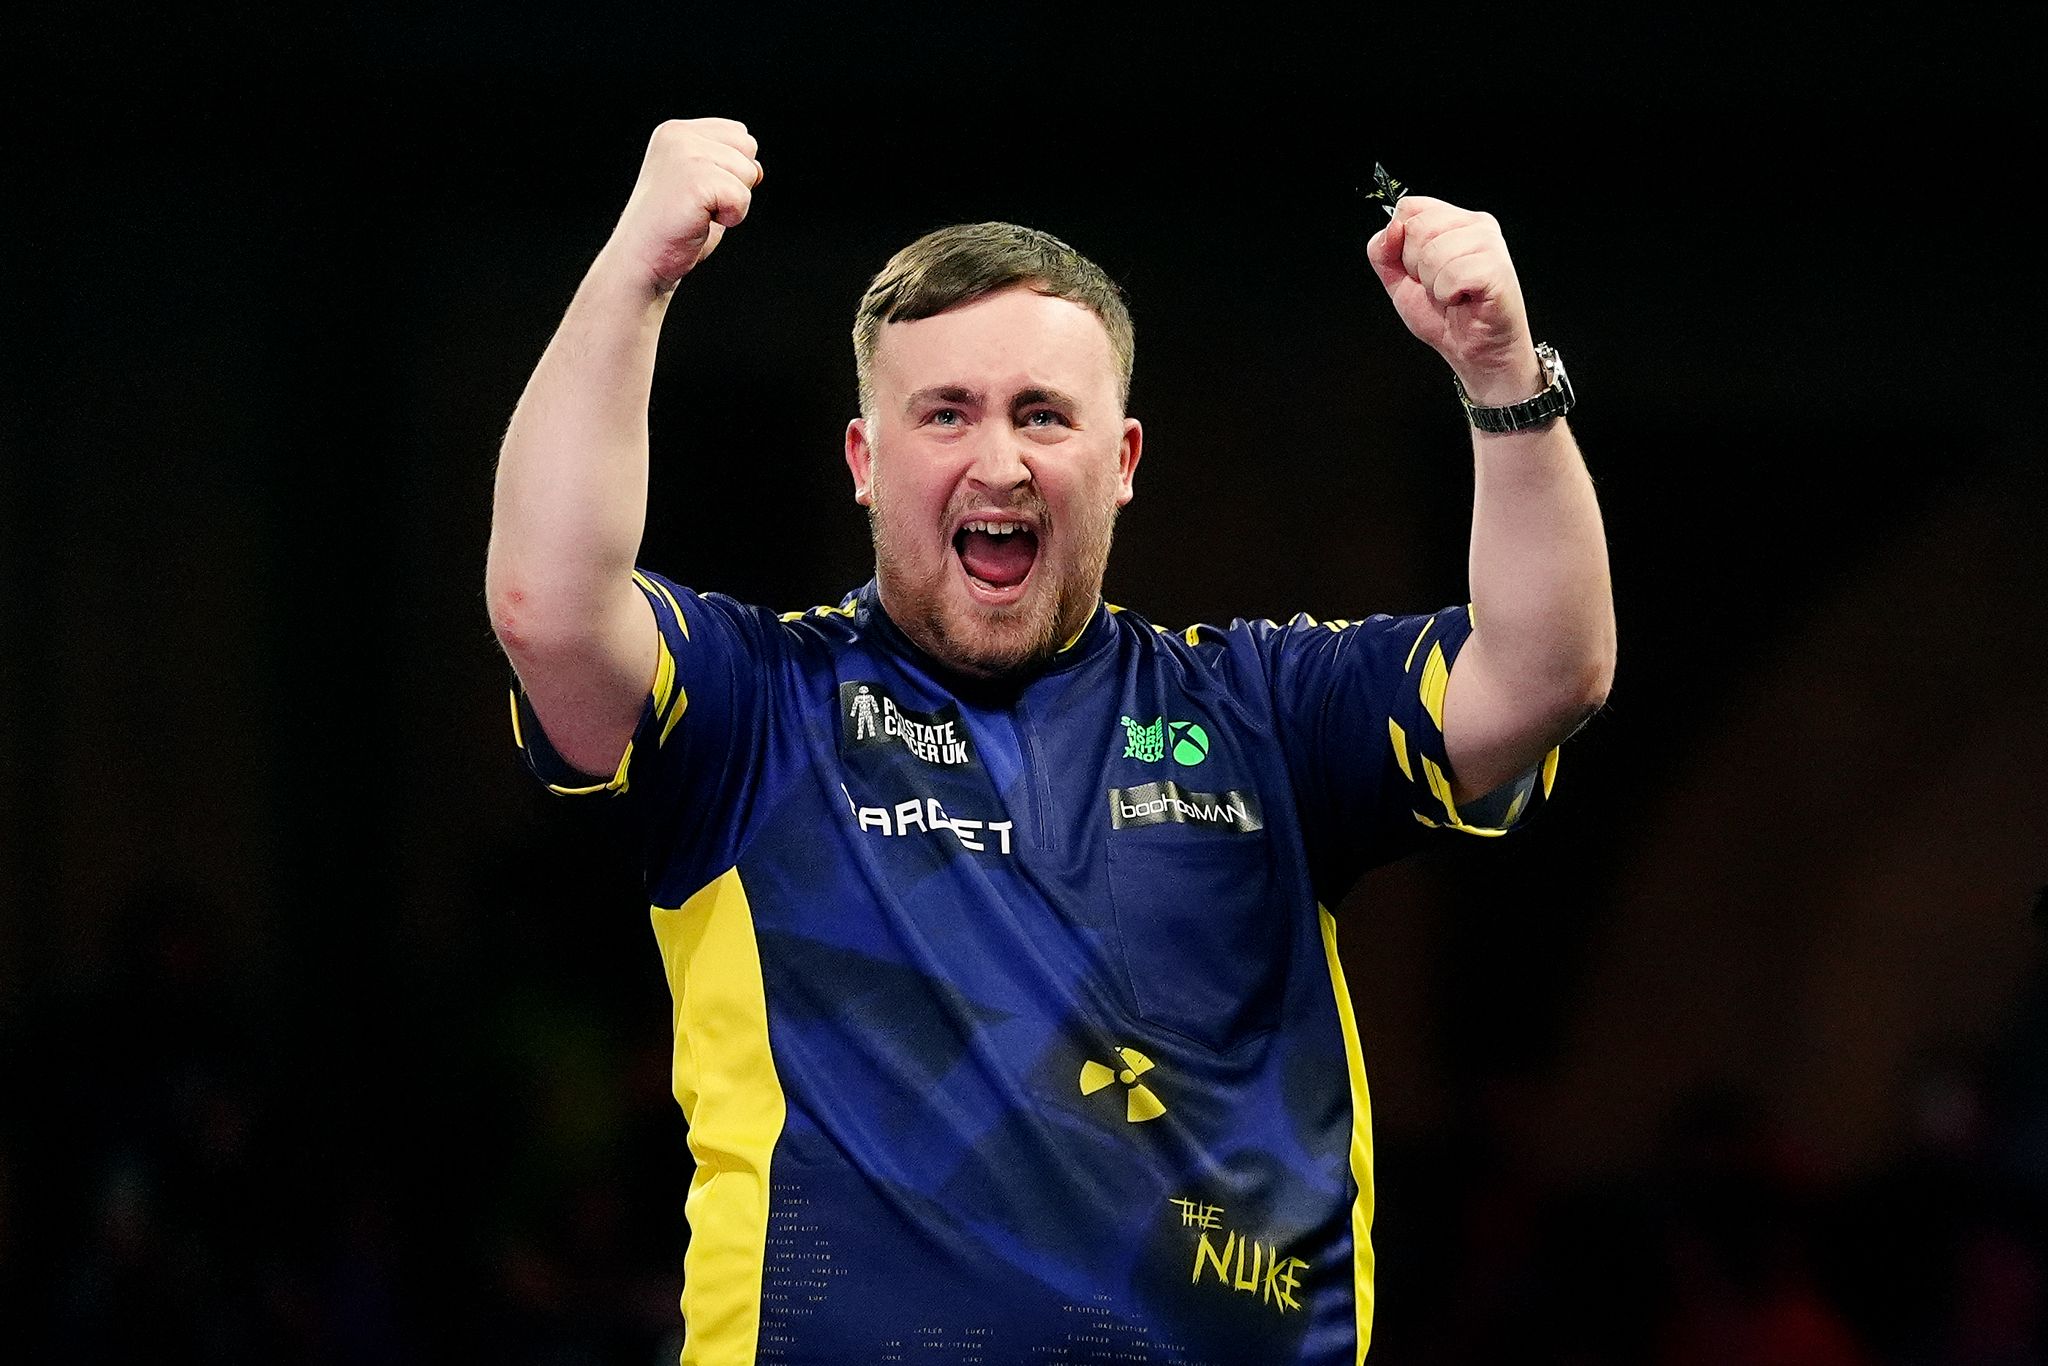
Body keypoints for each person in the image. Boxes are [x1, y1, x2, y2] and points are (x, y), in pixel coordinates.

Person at [487, 117, 1614, 1365]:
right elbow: (547, 608)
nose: (1000, 461)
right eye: (946, 414)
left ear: (1120, 461)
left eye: (1042, 415)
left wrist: (1502, 373)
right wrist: (635, 273)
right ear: (864, 459)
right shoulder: (754, 709)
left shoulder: (1263, 712)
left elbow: (1545, 671)